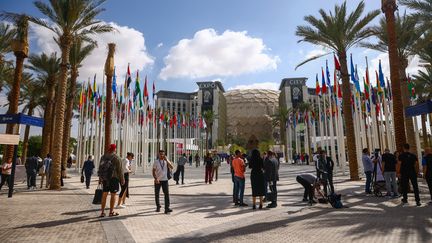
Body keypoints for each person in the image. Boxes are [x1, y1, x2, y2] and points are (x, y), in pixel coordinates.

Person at [98, 144, 125, 217]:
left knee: (104, 195)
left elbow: (100, 168)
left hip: (105, 179)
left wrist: (100, 178)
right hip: (114, 179)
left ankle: (102, 212)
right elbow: (120, 170)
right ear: (114, 149)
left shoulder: (103, 157)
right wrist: (122, 180)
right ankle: (111, 212)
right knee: (113, 195)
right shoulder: (117, 157)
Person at [153, 150, 173, 214]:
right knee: (157, 194)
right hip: (158, 180)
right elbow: (153, 171)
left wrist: (167, 160)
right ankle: (158, 206)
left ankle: (167, 208)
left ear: (164, 155)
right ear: (158, 155)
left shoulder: (166, 161)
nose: (161, 155)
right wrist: (156, 178)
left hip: (165, 180)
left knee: (166, 194)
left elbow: (172, 167)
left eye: (163, 154)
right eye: (160, 154)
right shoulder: (156, 162)